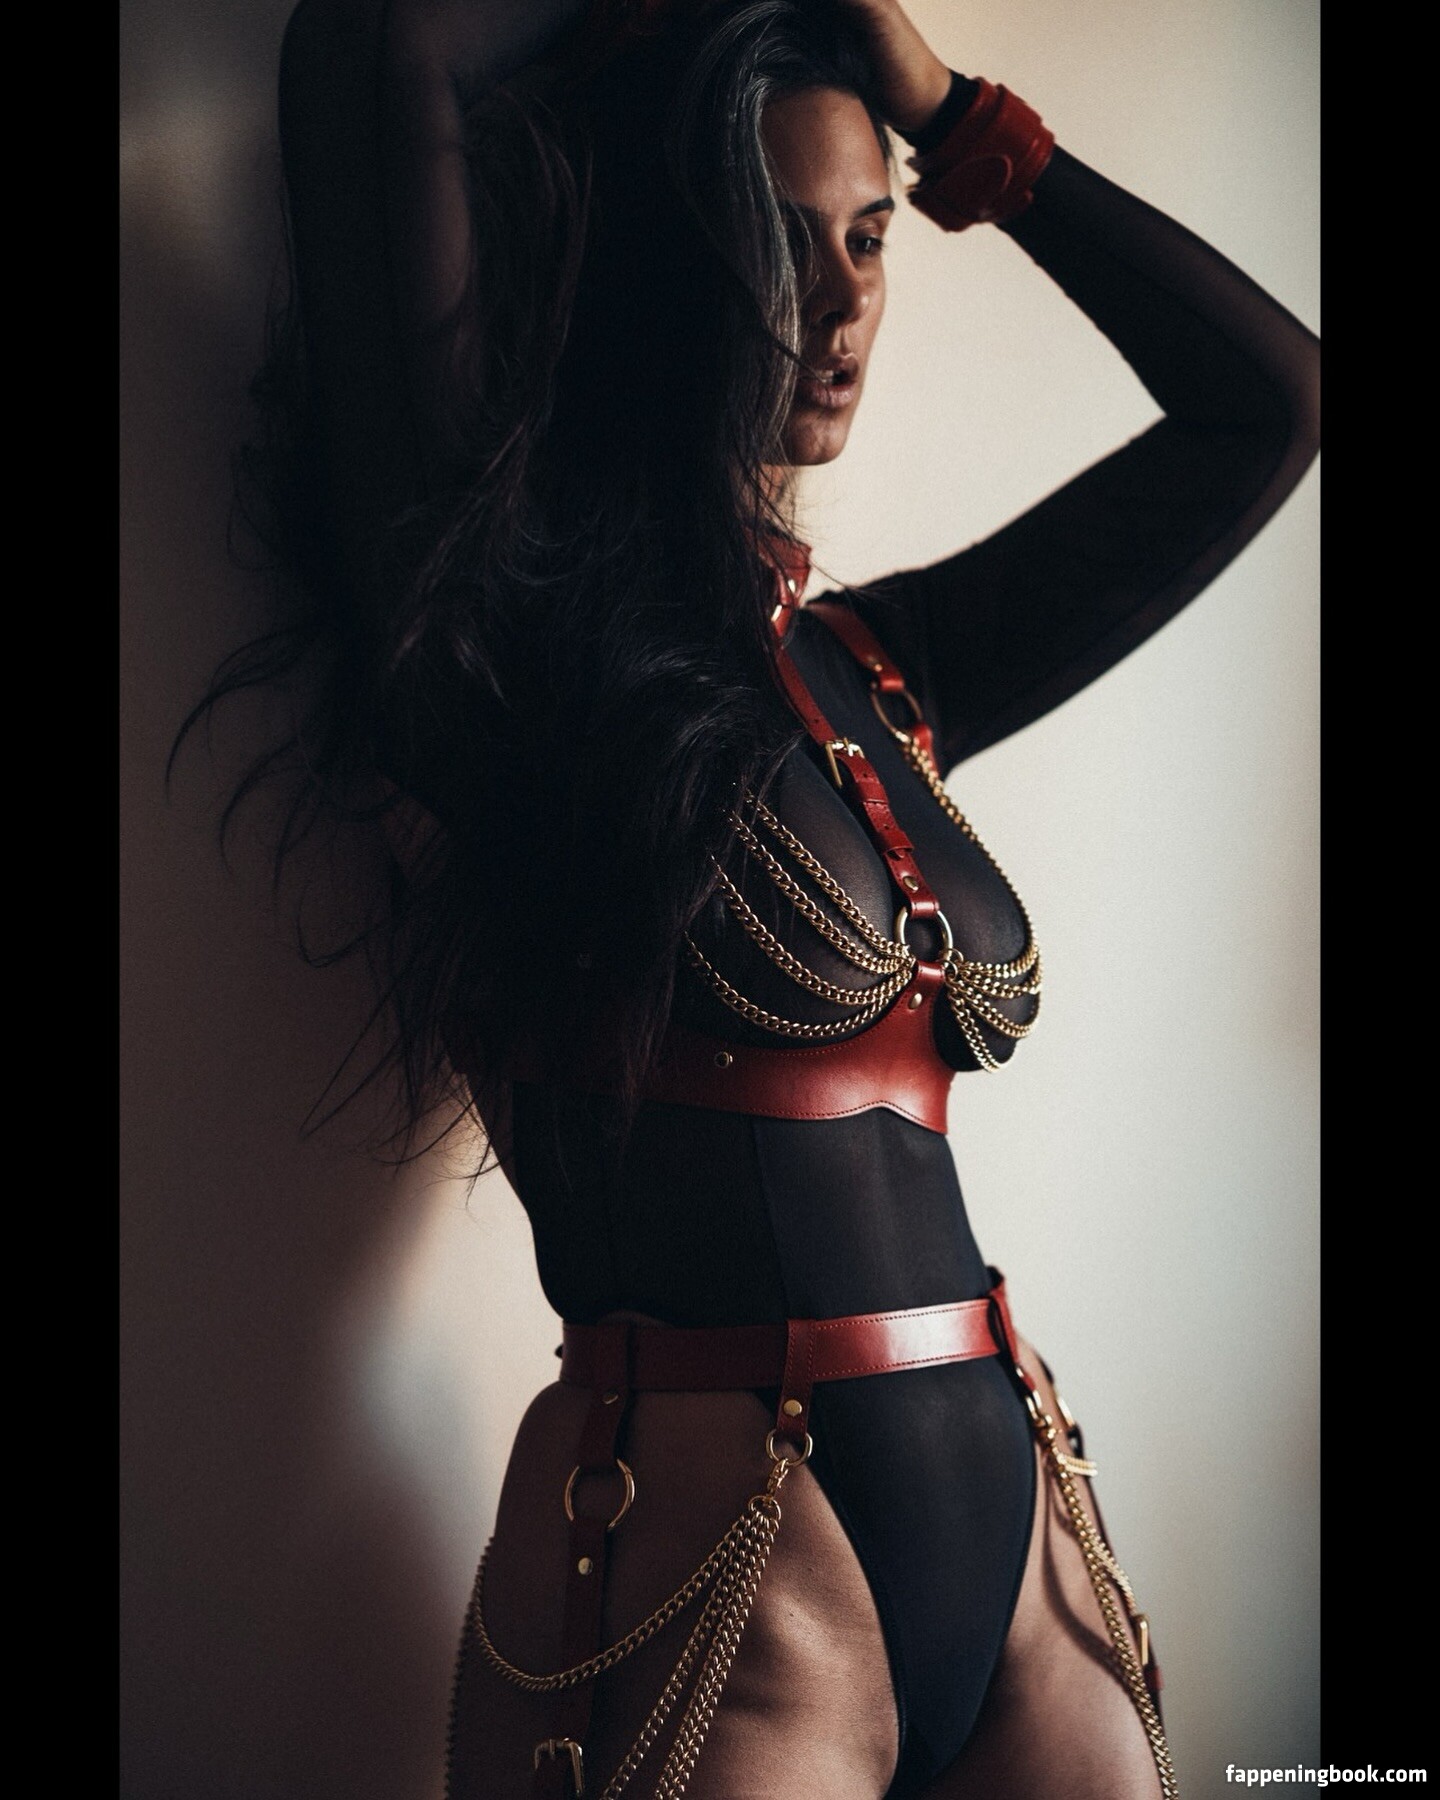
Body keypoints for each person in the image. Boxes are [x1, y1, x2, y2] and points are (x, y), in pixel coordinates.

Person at [216, 0, 1320, 1793]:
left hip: (1024, 1551)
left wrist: (947, 110)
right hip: (722, 1569)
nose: (842, 299)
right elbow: (370, 48)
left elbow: (1270, 408)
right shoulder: (506, 640)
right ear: (665, 263)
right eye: (776, 241)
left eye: (870, 235)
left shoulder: (877, 670)